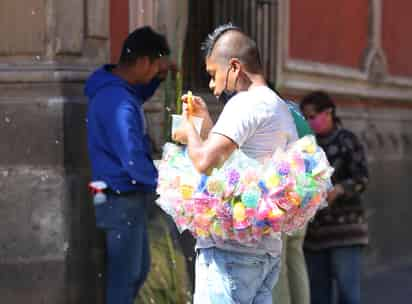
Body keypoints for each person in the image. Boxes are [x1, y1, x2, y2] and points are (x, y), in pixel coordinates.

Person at [173, 24, 298, 304]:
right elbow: (239, 162)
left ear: (234, 67)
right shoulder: (276, 105)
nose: (211, 85)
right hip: (263, 250)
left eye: (213, 75)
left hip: (231, 253)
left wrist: (189, 130)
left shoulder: (245, 104)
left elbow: (205, 162)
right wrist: (207, 127)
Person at [85, 26, 173, 304]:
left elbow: (137, 94)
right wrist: (168, 184)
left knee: (137, 270)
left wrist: (157, 79)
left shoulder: (115, 89)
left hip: (119, 194)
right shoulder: (119, 102)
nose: (155, 71)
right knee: (126, 275)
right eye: (155, 66)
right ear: (144, 61)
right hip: (120, 196)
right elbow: (133, 158)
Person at [300, 91, 369, 304]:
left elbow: (362, 178)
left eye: (313, 116)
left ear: (328, 112)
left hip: (345, 232)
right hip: (315, 234)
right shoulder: (305, 146)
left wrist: (338, 189)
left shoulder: (347, 140)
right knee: (318, 294)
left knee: (348, 293)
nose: (311, 122)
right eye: (306, 118)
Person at [272, 101, 311, 304]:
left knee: (277, 269)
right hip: (304, 194)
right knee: (296, 259)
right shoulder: (294, 110)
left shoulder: (266, 110)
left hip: (280, 198)